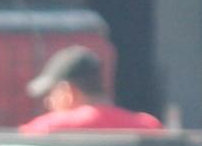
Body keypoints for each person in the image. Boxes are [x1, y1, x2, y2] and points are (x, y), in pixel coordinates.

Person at [17, 43, 161, 133]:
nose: (48, 102)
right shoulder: (148, 126)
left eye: (50, 94)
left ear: (68, 92)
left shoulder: (46, 128)